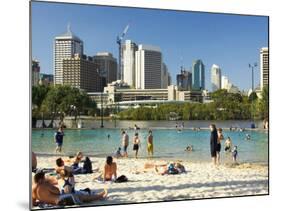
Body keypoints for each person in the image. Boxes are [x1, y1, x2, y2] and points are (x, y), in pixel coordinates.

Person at [32, 171, 107, 207]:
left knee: (79, 195)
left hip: (53, 203)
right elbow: (57, 191)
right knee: (81, 197)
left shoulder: (32, 189)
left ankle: (99, 195)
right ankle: (100, 196)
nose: (45, 179)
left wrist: (43, 200)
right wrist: (50, 185)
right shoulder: (44, 185)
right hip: (60, 200)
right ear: (40, 180)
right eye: (44, 178)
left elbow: (33, 203)